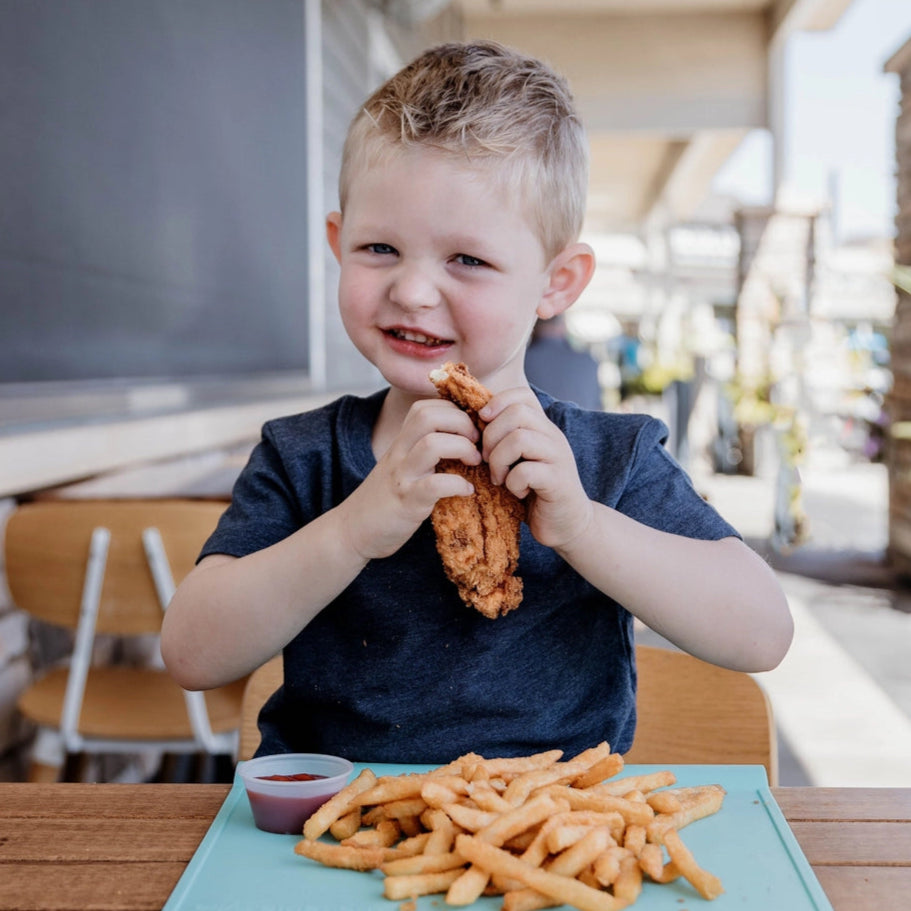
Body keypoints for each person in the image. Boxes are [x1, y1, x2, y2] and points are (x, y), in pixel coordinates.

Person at [161, 41, 792, 764]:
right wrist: (355, 527)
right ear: (338, 244)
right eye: (378, 249)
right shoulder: (302, 457)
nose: (412, 290)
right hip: (336, 831)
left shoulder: (610, 461)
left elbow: (760, 631)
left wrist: (583, 526)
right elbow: (191, 652)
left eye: (466, 259)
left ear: (556, 282)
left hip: (544, 838)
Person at [525, 315, 602, 410]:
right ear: (563, 326)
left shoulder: (523, 360)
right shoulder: (588, 360)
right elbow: (598, 407)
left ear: (533, 327)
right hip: (580, 423)